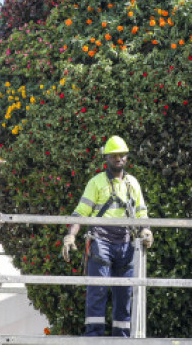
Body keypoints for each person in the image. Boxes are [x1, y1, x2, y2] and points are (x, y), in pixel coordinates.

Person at [62, 135, 153, 337]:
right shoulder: (96, 183)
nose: (118, 158)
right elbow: (81, 213)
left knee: (124, 296)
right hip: (101, 242)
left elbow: (141, 213)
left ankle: (121, 340)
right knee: (98, 292)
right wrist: (71, 235)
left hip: (126, 243)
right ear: (107, 158)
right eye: (114, 155)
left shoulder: (132, 184)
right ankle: (93, 338)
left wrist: (146, 230)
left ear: (126, 158)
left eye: (121, 155)